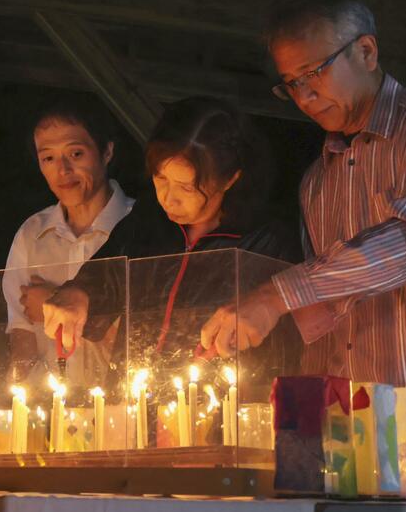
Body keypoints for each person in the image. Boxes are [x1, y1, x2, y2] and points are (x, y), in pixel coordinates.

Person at [197, 0, 406, 501]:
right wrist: (267, 342)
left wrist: (275, 296)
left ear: (367, 51)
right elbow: (333, 309)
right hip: (369, 437)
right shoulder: (319, 181)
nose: (305, 96)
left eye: (315, 73)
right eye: (291, 84)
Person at [42, 97, 302, 395]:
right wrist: (77, 293)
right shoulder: (150, 218)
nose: (168, 198)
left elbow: (280, 352)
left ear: (230, 179)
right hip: (133, 405)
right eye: (160, 178)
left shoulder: (266, 241)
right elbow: (108, 275)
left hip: (220, 417)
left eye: (187, 187)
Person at [2, 98, 135, 389]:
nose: (63, 170)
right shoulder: (31, 234)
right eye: (48, 158)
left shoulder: (137, 229)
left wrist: (54, 302)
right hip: (50, 410)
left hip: (122, 407)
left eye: (75, 153)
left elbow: (149, 333)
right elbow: (20, 331)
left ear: (107, 151)